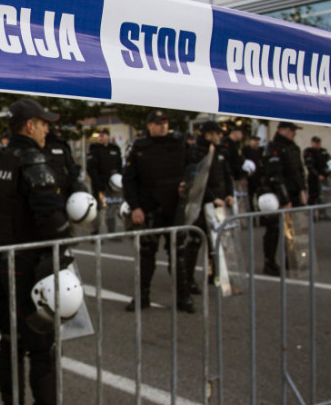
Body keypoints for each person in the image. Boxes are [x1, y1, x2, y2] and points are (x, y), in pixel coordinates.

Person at [0, 98, 75, 405]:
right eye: (43, 123)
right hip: (30, 270)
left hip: (1, 263)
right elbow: (51, 216)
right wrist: (66, 247)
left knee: (9, 344)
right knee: (40, 349)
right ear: (29, 125)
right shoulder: (32, 160)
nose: (47, 129)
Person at [122, 110, 191, 312]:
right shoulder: (139, 148)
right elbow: (129, 180)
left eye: (165, 122)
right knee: (146, 256)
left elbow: (192, 168)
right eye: (159, 123)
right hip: (150, 208)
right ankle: (142, 297)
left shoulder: (179, 144)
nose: (163, 126)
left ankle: (183, 297)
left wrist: (187, 184)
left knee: (178, 255)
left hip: (174, 208)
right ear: (150, 126)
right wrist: (135, 207)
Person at [181, 121, 234, 294]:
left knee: (217, 242)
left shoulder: (219, 151)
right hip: (203, 204)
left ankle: (216, 274)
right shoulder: (197, 153)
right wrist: (213, 198)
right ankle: (187, 280)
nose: (220, 136)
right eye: (217, 133)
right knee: (195, 241)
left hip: (219, 203)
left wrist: (229, 194)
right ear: (208, 134)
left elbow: (227, 175)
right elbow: (198, 180)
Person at [261, 122, 307, 275]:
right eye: (291, 130)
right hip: (277, 194)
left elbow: (299, 171)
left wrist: (302, 190)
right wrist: (284, 198)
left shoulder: (293, 148)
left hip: (294, 192)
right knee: (273, 229)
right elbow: (275, 175)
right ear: (281, 130)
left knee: (292, 227)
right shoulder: (275, 148)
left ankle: (292, 258)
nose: (294, 133)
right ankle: (270, 262)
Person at [86, 128, 123, 236]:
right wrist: (98, 183)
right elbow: (91, 169)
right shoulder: (95, 150)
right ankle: (95, 231)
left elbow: (119, 166)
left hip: (112, 185)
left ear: (108, 136)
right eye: (99, 135)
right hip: (99, 185)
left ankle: (112, 232)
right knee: (97, 208)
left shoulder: (114, 149)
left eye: (103, 135)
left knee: (111, 208)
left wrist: (119, 180)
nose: (100, 137)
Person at [43, 125, 85, 201]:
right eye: (57, 132)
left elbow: (71, 166)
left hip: (61, 185)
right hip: (50, 186)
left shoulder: (62, 146)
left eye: (59, 132)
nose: (59, 134)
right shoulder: (43, 145)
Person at [303, 136, 331, 220]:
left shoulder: (323, 151)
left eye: (318, 143)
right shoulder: (309, 152)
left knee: (324, 196)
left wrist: (329, 173)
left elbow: (328, 162)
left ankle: (322, 214)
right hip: (314, 177)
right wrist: (317, 175)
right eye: (315, 143)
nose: (317, 145)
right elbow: (309, 166)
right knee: (313, 196)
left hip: (324, 177)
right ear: (312, 143)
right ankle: (311, 214)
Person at [241, 135, 264, 213]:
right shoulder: (245, 150)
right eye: (254, 140)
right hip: (250, 178)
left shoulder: (261, 150)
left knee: (260, 197)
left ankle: (261, 216)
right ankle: (252, 215)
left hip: (259, 177)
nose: (256, 142)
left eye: (258, 140)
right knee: (250, 198)